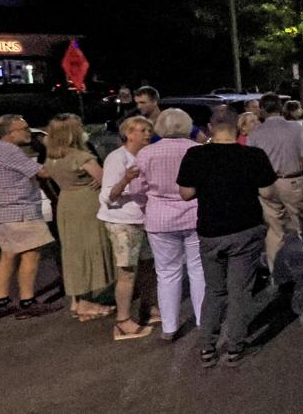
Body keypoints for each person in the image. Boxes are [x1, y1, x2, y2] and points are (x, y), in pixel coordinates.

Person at [177, 110, 277, 368]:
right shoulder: (253, 155)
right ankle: (234, 347)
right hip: (245, 228)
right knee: (239, 291)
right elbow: (267, 191)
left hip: (210, 230)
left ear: (210, 127)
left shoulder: (195, 155)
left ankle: (207, 347)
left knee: (214, 290)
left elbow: (186, 194)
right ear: (238, 128)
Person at [133, 108, 205, 341]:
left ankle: (170, 326)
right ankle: (204, 320)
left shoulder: (146, 153)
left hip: (159, 218)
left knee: (166, 273)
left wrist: (147, 208)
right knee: (198, 270)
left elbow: (136, 189)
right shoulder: (196, 150)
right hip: (195, 214)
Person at [248, 93, 303, 279]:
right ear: (281, 108)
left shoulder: (255, 132)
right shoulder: (295, 128)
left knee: (275, 230)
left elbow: (252, 162)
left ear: (263, 110)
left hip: (266, 185)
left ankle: (279, 274)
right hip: (292, 181)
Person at [0, 114, 62, 320]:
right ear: (10, 134)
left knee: (8, 255)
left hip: (3, 213)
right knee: (31, 255)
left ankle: (1, 303)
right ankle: (27, 302)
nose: (29, 132)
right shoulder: (10, 151)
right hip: (21, 213)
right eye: (24, 129)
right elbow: (43, 172)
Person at [44, 113, 116, 321]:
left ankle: (77, 299)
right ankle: (86, 301)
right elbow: (106, 179)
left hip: (67, 203)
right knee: (90, 248)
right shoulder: (80, 156)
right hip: (86, 205)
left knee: (72, 251)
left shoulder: (53, 157)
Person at [99, 116, 158, 340]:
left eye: (149, 130)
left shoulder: (144, 155)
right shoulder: (117, 159)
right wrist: (125, 180)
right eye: (142, 130)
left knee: (148, 265)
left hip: (142, 219)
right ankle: (123, 321)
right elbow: (108, 196)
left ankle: (147, 307)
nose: (147, 134)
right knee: (126, 271)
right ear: (129, 134)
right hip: (122, 221)